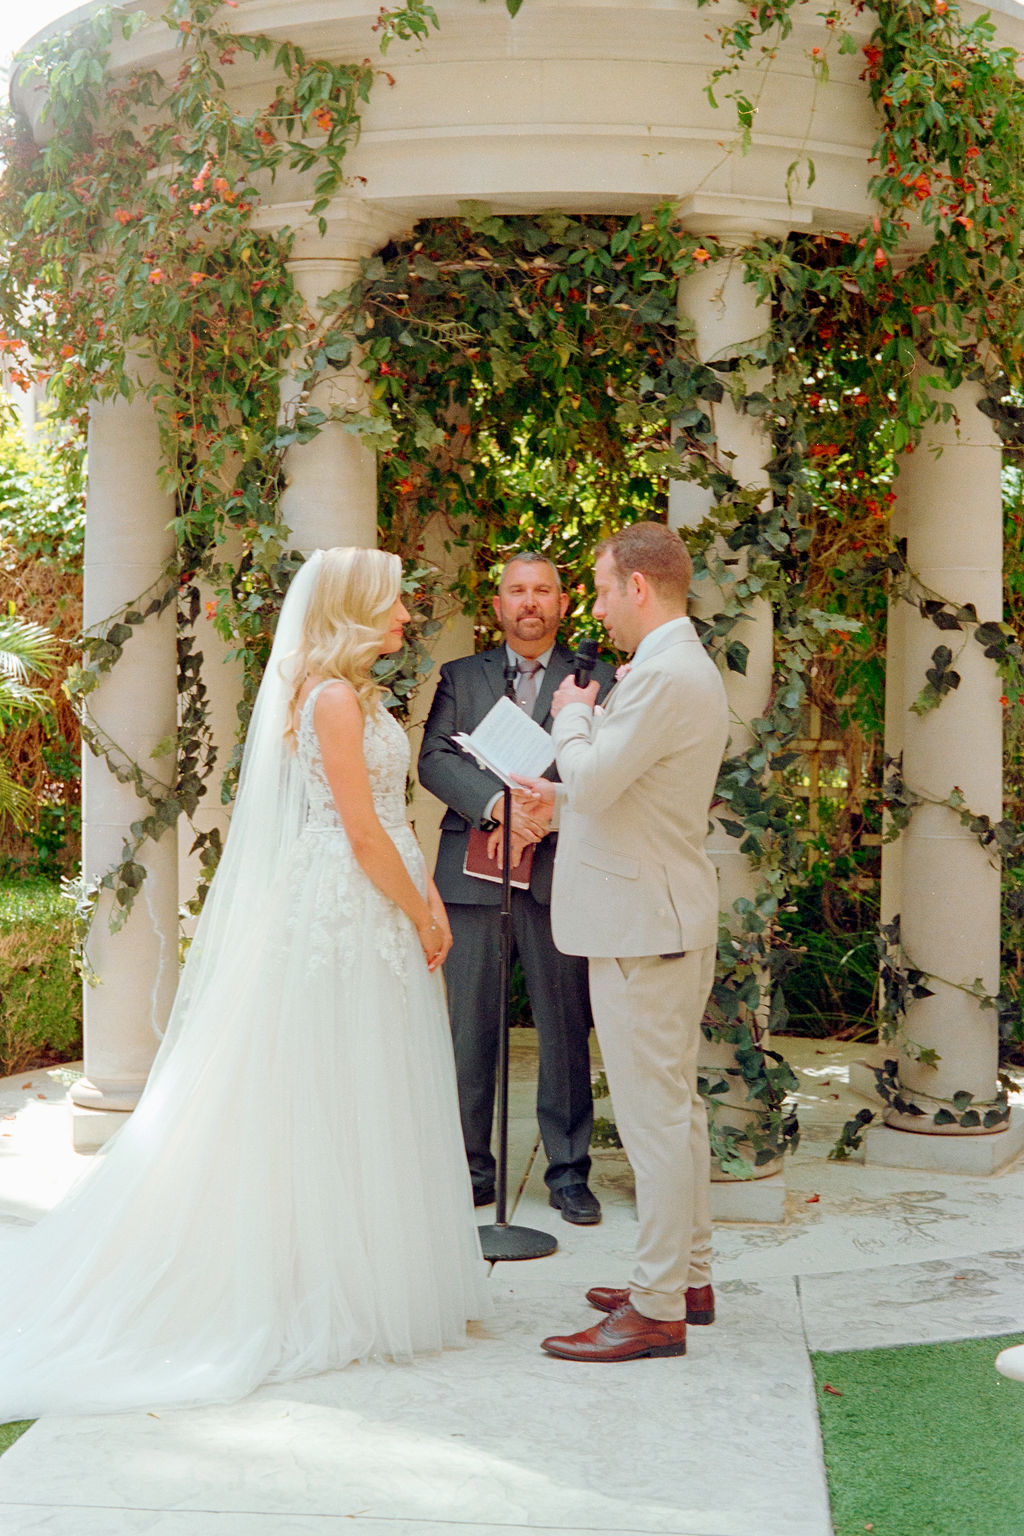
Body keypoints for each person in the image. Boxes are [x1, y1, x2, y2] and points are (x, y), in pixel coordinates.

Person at [0, 547, 490, 1420]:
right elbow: (363, 832)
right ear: (352, 610)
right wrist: (421, 910)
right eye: (393, 605)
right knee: (334, 1083)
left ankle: (356, 1267)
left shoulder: (355, 692)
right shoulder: (334, 699)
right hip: (352, 903)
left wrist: (420, 904)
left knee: (362, 1087)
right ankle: (312, 1280)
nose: (407, 617)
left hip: (373, 901)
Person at [515, 522, 728, 1362]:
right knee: (676, 1114)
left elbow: (598, 776)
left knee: (654, 1121)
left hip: (648, 927)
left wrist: (571, 716)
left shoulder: (667, 672)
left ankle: (655, 1306)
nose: (596, 610)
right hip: (655, 916)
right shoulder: (675, 667)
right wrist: (556, 797)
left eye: (601, 590)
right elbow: (629, 795)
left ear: (638, 588)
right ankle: (689, 1277)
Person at [417, 551, 613, 1224]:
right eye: (516, 591)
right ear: (496, 605)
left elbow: (607, 771)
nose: (530, 601)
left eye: (543, 591)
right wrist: (501, 809)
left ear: (564, 604)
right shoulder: (459, 677)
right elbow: (435, 759)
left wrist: (540, 817)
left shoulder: (600, 681)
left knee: (564, 1027)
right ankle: (470, 1168)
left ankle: (567, 1174)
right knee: (469, 1027)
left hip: (560, 873)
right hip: (473, 878)